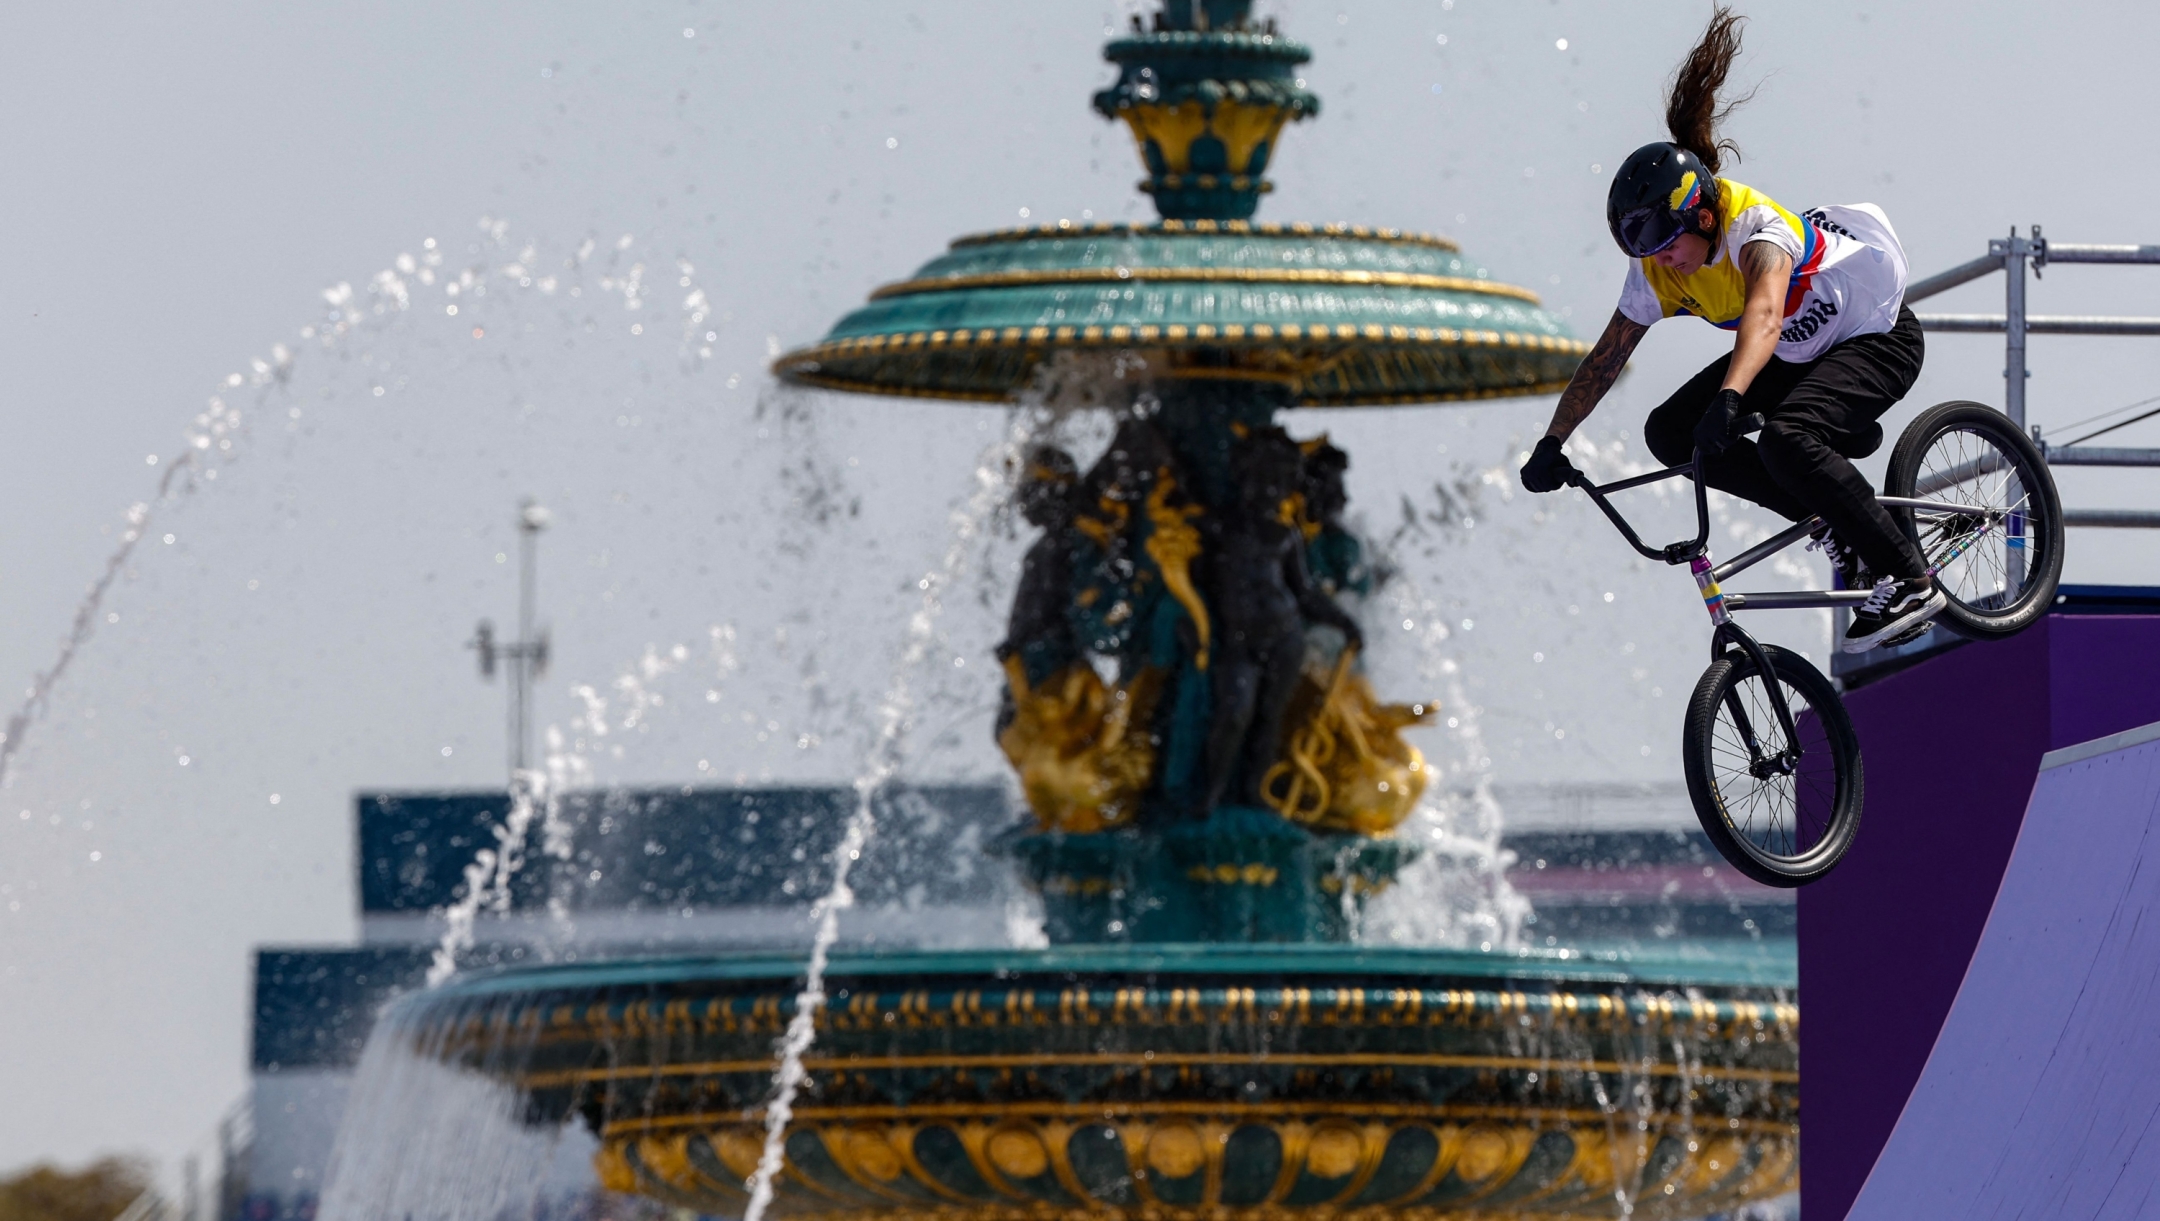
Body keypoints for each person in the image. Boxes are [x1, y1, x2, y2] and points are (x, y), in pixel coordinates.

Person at [1518, 6, 1939, 653]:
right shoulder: (1658, 271)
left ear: (1705, 217)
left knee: (1789, 441)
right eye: (1648, 252)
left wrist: (1732, 398)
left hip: (1874, 336)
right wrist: (1553, 439)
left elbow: (1765, 319)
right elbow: (1605, 359)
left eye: (1667, 245)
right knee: (1669, 433)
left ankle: (1912, 577)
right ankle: (1824, 517)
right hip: (1801, 353)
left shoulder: (1757, 233)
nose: (1662, 262)